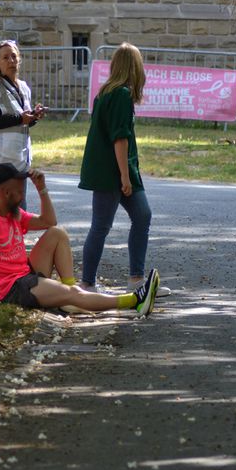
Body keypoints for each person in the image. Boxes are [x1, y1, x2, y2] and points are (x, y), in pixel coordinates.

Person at [0, 162, 160, 317]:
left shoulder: (14, 213)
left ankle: (68, 294)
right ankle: (134, 302)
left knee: (58, 234)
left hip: (26, 274)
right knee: (74, 295)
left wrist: (42, 189)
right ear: (5, 192)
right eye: (20, 189)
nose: (23, 193)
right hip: (12, 288)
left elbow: (49, 222)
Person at [79, 42, 170, 296]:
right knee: (101, 226)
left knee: (142, 215)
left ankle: (136, 279)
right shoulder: (118, 95)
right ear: (134, 67)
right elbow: (119, 138)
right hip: (112, 172)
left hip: (122, 169)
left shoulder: (108, 93)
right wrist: (124, 177)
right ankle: (87, 283)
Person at [0, 39, 46, 209]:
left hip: (19, 158)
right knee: (1, 210)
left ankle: (17, 237)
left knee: (19, 209)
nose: (11, 61)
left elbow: (24, 123)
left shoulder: (23, 87)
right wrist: (19, 119)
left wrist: (34, 116)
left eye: (14, 57)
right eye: (5, 58)